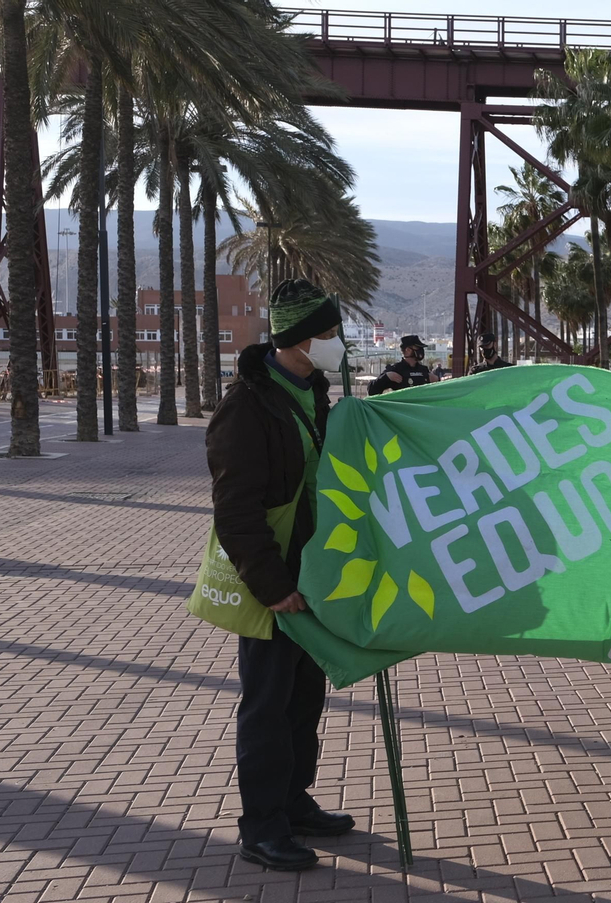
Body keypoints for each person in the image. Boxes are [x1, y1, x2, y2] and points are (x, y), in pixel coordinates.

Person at [207, 279, 356, 871]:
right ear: (297, 339)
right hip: (274, 585)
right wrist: (272, 587)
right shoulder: (246, 406)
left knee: (302, 701)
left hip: (313, 574)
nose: (334, 342)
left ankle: (294, 803)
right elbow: (235, 511)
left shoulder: (312, 390)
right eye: (327, 333)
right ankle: (261, 826)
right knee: (267, 706)